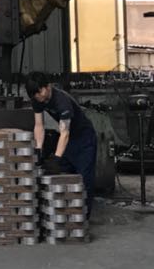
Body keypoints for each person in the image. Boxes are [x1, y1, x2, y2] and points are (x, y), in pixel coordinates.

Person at [26, 71, 99, 212]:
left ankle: (83, 217)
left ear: (47, 86)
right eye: (34, 94)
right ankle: (67, 215)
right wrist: (38, 149)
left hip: (84, 138)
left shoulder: (62, 101)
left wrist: (57, 158)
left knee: (84, 179)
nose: (37, 96)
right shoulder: (37, 99)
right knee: (65, 176)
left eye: (39, 92)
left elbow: (64, 132)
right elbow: (39, 125)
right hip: (69, 139)